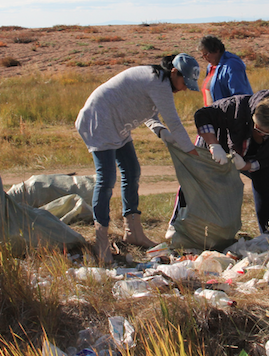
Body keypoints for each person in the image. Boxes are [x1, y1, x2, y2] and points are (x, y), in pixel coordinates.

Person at [76, 54, 199, 263]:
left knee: (132, 170)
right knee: (106, 179)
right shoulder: (159, 83)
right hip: (99, 120)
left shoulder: (159, 81)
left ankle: (133, 232)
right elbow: (175, 124)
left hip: (117, 124)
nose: (185, 88)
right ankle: (101, 241)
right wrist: (193, 153)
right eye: (184, 83)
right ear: (174, 72)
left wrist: (160, 131)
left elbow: (147, 111)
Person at [195, 89, 269, 233]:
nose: (261, 135)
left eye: (267, 134)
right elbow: (202, 115)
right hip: (219, 148)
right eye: (258, 129)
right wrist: (214, 145)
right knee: (207, 187)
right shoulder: (234, 107)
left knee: (266, 185)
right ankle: (200, 230)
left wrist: (246, 165)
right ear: (253, 116)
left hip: (254, 156)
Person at [198, 35, 253, 105]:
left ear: (216, 50)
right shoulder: (211, 66)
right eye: (202, 56)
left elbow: (240, 97)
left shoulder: (232, 65)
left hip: (229, 111)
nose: (205, 58)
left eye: (206, 54)